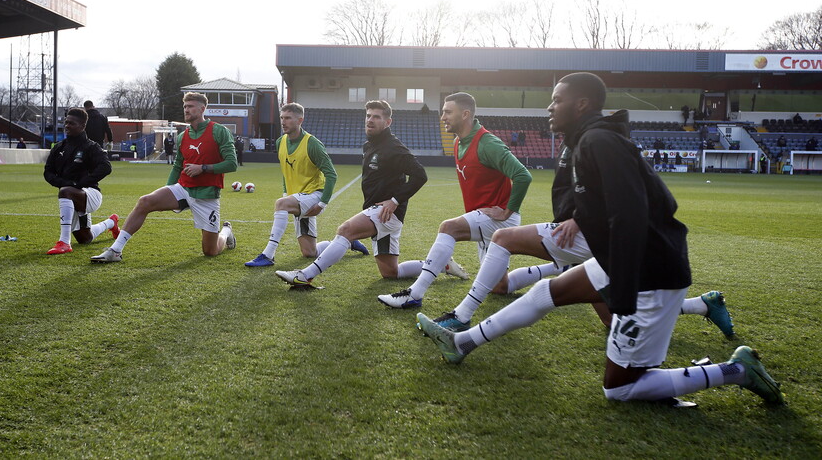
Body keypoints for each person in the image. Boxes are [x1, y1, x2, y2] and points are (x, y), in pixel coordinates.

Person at [417, 72, 783, 406]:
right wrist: (581, 220)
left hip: (649, 272)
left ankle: (738, 370)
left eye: (557, 100)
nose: (549, 107)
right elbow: (609, 199)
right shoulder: (586, 141)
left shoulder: (599, 142)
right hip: (629, 261)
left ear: (581, 104)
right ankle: (461, 342)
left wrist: (622, 289)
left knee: (621, 388)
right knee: (546, 293)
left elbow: (633, 213)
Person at [377, 92, 532, 309]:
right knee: (499, 287)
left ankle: (414, 294)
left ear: (465, 114)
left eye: (448, 112)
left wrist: (507, 211)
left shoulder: (488, 144)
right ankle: (557, 268)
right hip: (484, 218)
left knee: (449, 228)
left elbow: (523, 175)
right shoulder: (458, 142)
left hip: (498, 220)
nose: (443, 117)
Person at [275, 100, 431, 287]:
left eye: (376, 117)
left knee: (346, 230)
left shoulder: (394, 148)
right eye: (368, 116)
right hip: (378, 211)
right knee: (391, 272)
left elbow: (420, 175)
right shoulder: (370, 145)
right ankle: (441, 264)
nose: (370, 120)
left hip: (386, 212)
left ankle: (305, 276)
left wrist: (394, 201)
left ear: (388, 122)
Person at [91, 92, 236, 262]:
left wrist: (203, 168)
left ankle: (226, 232)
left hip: (207, 195)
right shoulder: (183, 136)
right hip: (183, 188)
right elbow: (178, 166)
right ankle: (116, 250)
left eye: (190, 106)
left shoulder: (219, 131)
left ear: (202, 109)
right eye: (185, 106)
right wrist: (169, 188)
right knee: (145, 201)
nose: (186, 110)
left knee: (210, 251)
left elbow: (231, 163)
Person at [245, 102, 367, 267]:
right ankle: (347, 242)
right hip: (297, 197)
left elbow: (331, 174)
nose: (283, 122)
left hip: (313, 194)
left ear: (300, 120)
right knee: (310, 252)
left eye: (288, 118)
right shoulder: (280, 142)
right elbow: (286, 170)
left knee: (281, 204)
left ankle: (268, 255)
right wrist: (286, 193)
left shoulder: (312, 144)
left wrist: (322, 203)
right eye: (282, 117)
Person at [43, 108, 120, 255]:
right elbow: (48, 172)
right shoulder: (59, 147)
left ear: (83, 126)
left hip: (90, 195)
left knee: (65, 191)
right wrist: (65, 183)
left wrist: (79, 184)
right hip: (72, 197)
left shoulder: (91, 147)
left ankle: (64, 242)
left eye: (72, 123)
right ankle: (111, 223)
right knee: (85, 238)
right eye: (66, 122)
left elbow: (106, 167)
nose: (67, 126)